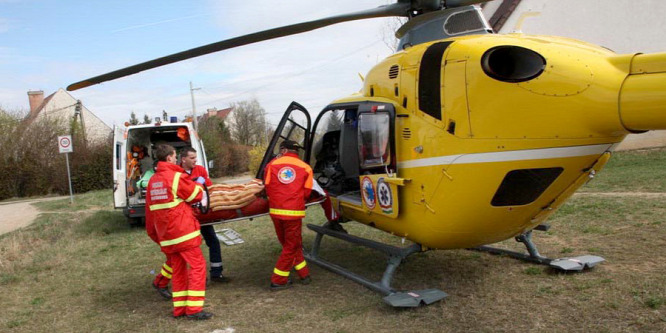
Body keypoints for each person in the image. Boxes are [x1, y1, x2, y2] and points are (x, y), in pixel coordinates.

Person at [145, 144, 213, 320]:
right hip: (183, 232)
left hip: (166, 235)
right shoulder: (175, 177)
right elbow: (195, 196)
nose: (176, 159)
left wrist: (154, 234)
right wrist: (198, 185)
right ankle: (194, 310)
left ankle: (180, 309)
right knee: (198, 266)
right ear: (169, 158)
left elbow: (149, 211)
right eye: (175, 156)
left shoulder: (153, 181)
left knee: (179, 270)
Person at [263, 140, 313, 291]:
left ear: (283, 150)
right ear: (297, 152)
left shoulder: (271, 165)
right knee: (291, 246)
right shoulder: (306, 168)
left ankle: (304, 273)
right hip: (293, 212)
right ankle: (278, 280)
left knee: (290, 244)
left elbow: (267, 186)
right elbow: (307, 192)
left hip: (276, 211)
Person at [179, 147, 230, 283]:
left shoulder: (200, 170)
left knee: (213, 241)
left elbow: (209, 187)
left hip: (202, 213)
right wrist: (196, 184)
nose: (195, 160)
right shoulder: (177, 173)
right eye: (192, 158)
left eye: (196, 158)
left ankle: (216, 273)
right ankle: (195, 277)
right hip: (187, 216)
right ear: (183, 159)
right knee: (191, 247)